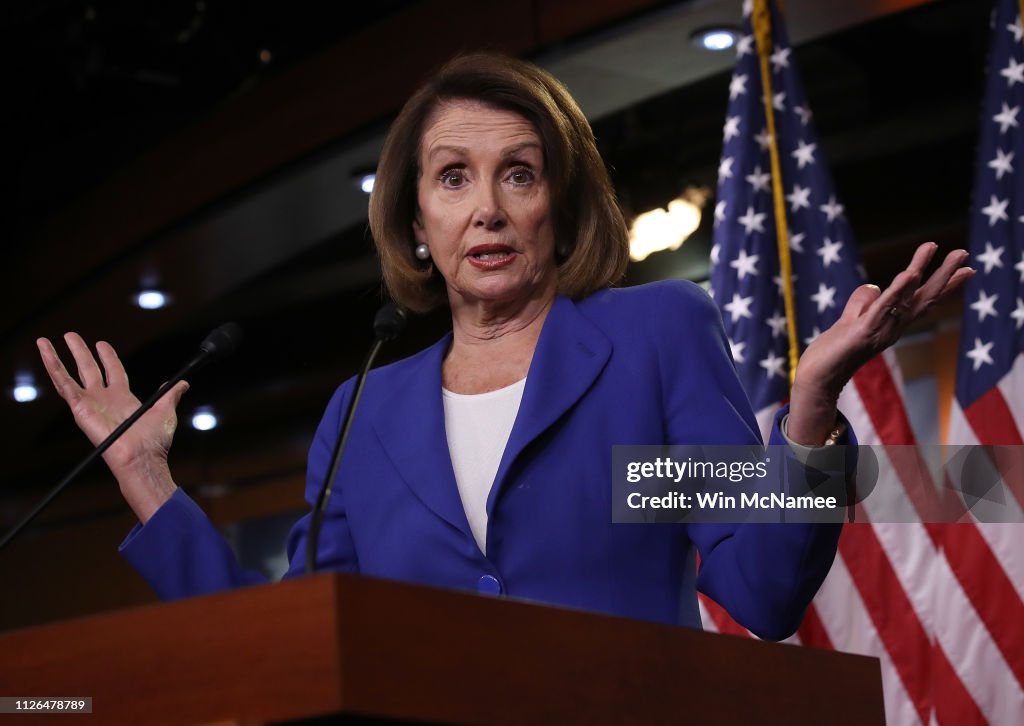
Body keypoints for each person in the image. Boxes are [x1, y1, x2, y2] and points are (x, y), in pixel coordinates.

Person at [37, 53, 972, 639]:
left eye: (517, 174)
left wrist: (809, 417)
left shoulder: (648, 342)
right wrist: (149, 484)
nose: (485, 206)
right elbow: (295, 639)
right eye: (452, 178)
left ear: (558, 209)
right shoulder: (364, 412)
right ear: (415, 220)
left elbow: (761, 592)